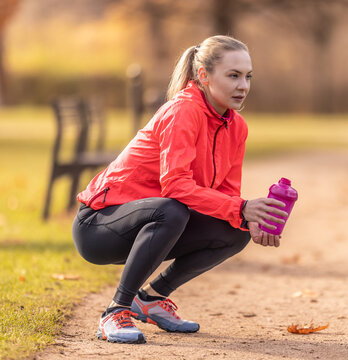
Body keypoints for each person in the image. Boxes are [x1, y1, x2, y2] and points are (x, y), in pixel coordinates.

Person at [72, 35, 288, 344]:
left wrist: (249, 220)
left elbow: (227, 194)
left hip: (153, 222)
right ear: (203, 76)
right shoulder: (183, 112)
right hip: (98, 225)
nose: (244, 85)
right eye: (233, 75)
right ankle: (115, 312)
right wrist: (240, 208)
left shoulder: (236, 126)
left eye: (247, 76)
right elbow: (174, 185)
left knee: (234, 230)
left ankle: (152, 298)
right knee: (171, 208)